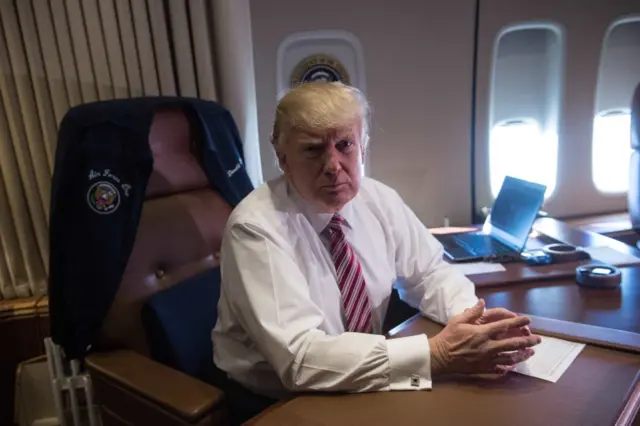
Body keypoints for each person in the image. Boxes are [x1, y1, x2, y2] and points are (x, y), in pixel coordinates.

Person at [211, 81, 541, 424]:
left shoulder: (378, 199)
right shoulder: (256, 229)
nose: (333, 165)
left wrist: (473, 324)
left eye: (345, 145)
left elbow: (430, 271)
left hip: (362, 372)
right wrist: (437, 354)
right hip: (278, 399)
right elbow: (300, 359)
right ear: (283, 160)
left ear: (362, 149)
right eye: (313, 150)